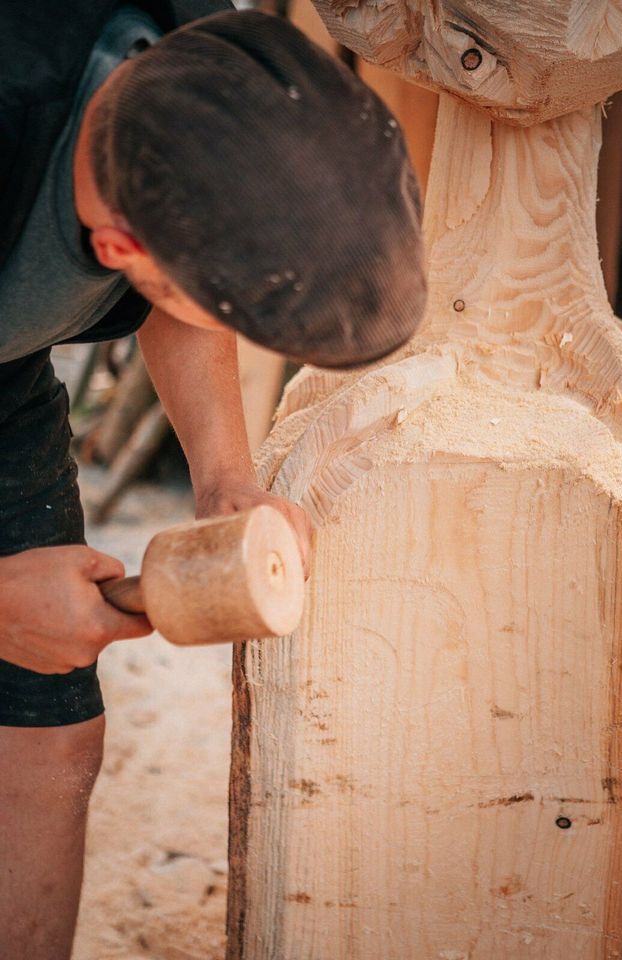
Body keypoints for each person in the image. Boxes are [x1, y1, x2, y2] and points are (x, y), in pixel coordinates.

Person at [0, 3, 427, 957]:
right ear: (117, 253)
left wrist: (226, 479)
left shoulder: (198, 48)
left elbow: (185, 280)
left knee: (44, 744)